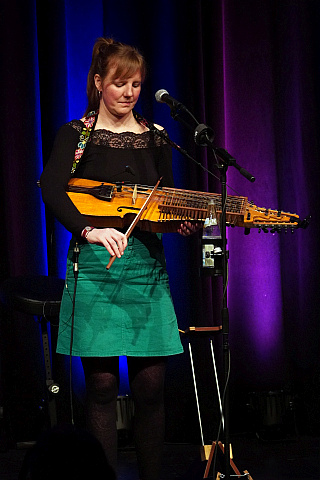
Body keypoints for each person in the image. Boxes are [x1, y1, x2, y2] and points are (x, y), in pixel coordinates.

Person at [40, 37, 197, 480]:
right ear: (98, 83)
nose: (128, 93)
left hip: (146, 267)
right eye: (119, 83)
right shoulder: (76, 134)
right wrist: (89, 229)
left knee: (151, 386)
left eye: (136, 84)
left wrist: (180, 224)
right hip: (94, 266)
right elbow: (51, 188)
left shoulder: (156, 138)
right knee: (104, 386)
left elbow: (162, 204)